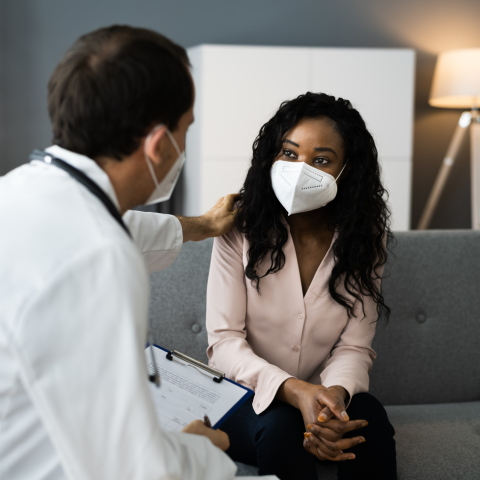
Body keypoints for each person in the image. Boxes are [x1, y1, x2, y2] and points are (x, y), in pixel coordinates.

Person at [0, 25, 260, 480]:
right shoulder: (99, 257)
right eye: (186, 130)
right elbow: (132, 470)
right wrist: (204, 449)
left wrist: (203, 225)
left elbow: (122, 227)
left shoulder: (21, 191)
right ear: (159, 145)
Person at [206, 93, 397, 480]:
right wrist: (294, 391)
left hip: (322, 393)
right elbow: (224, 342)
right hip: (244, 397)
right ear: (272, 156)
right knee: (281, 427)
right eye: (289, 154)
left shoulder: (366, 238)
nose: (299, 169)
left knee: (369, 418)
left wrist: (334, 402)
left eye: (321, 160)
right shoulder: (238, 228)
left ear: (347, 172)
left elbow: (355, 347)